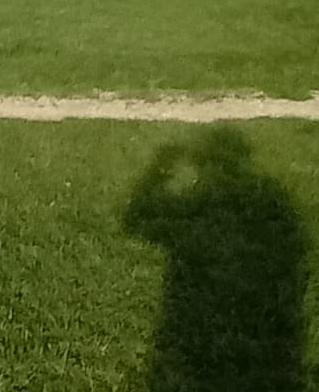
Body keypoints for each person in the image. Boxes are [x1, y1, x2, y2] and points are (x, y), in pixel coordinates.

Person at [122, 129, 305, 392]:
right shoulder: (272, 201)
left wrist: (159, 169)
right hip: (265, 340)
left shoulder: (197, 207)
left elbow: (136, 217)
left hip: (199, 340)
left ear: (204, 164)